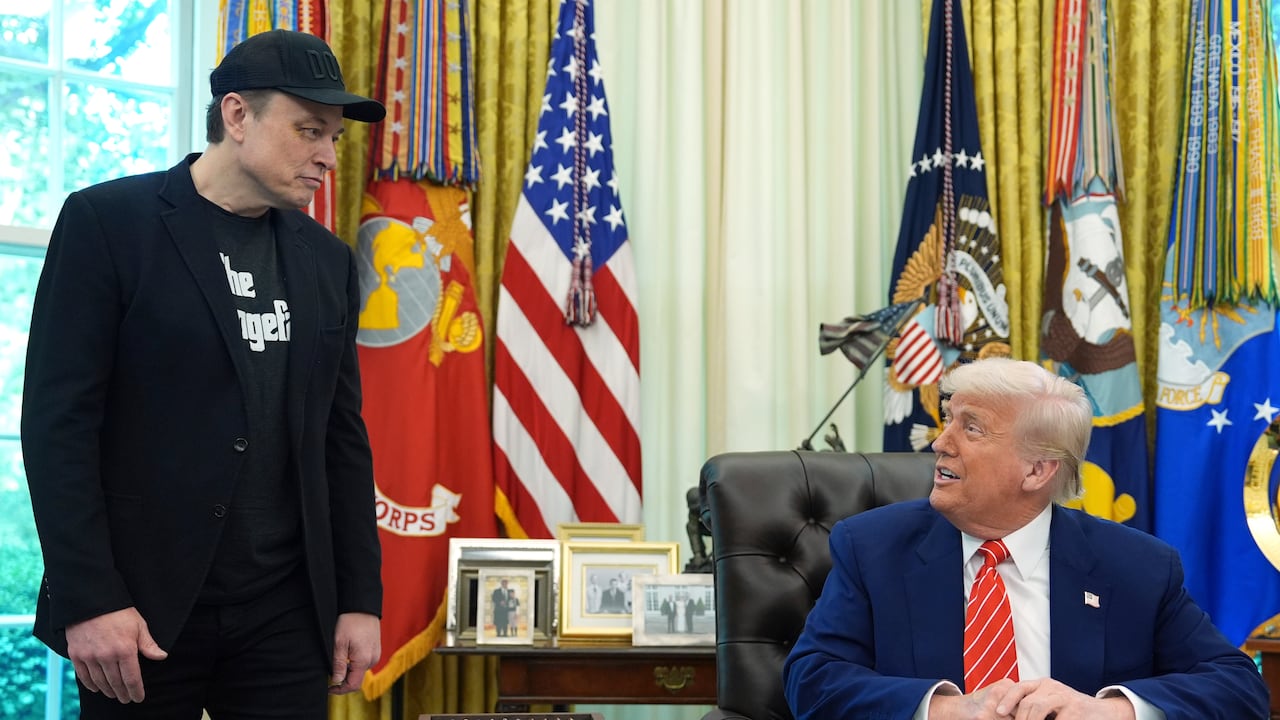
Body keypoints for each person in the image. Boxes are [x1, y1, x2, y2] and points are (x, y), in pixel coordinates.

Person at [21, 29, 387, 717]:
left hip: (286, 612)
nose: (328, 156)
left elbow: (341, 437)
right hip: (140, 611)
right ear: (237, 115)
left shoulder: (328, 261)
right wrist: (91, 597)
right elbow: (56, 426)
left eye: (335, 138)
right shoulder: (108, 223)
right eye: (311, 131)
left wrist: (359, 600)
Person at [783, 357, 1270, 720]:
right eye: (948, 419)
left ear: (1038, 470)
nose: (940, 441)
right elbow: (812, 679)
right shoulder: (872, 548)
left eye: (970, 427)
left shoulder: (1136, 566)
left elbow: (1237, 688)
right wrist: (951, 710)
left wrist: (1108, 711)